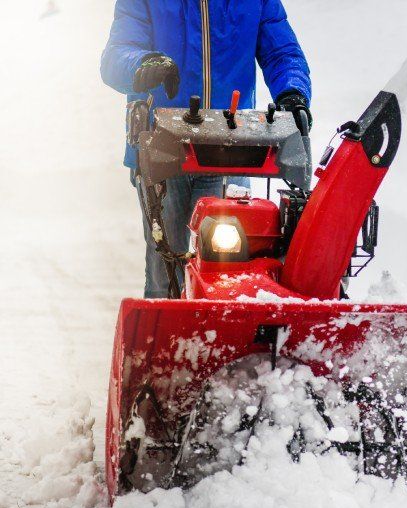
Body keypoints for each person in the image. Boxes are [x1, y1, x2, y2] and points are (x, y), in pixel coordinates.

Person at [100, 0, 312, 298]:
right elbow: (116, 55)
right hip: (162, 150)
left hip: (232, 150)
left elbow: (282, 54)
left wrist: (293, 92)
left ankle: (220, 340)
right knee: (166, 272)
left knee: (229, 269)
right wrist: (143, 63)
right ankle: (165, 341)